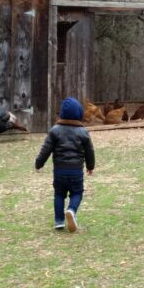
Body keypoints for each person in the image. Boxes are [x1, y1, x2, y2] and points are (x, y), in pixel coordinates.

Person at [35, 97, 96, 232]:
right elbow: (89, 151)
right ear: (79, 114)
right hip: (76, 171)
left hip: (59, 171)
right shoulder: (83, 132)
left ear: (62, 114)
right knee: (77, 193)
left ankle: (59, 221)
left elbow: (46, 149)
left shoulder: (55, 130)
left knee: (59, 194)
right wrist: (90, 167)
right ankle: (71, 210)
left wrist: (39, 163)